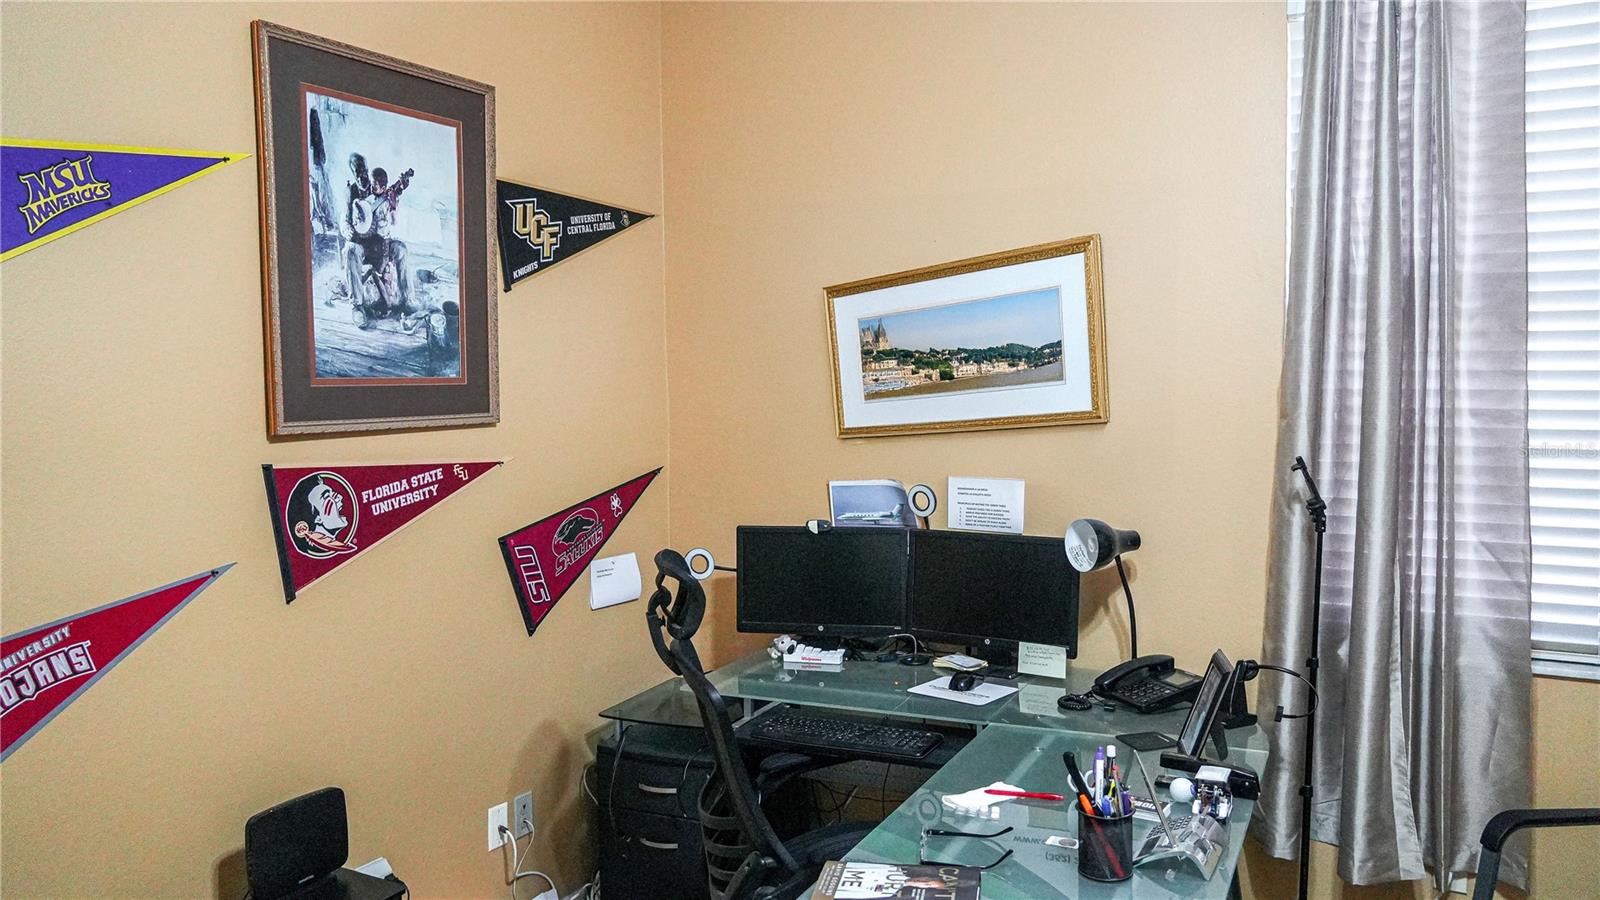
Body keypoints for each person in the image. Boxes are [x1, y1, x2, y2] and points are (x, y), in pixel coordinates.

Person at [341, 154, 415, 327]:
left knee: (401, 249)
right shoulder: (351, 193)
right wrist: (347, 229)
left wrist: (398, 192)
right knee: (350, 250)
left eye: (363, 171)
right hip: (362, 246)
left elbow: (391, 204)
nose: (361, 176)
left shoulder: (378, 187)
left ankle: (408, 300)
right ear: (353, 174)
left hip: (381, 245)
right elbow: (344, 220)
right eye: (357, 172)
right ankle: (357, 306)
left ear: (367, 170)